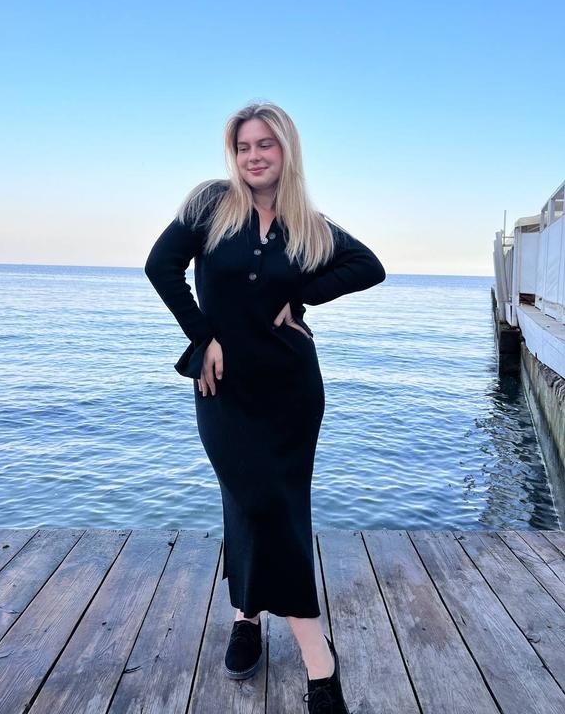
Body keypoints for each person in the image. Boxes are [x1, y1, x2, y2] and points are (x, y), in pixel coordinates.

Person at [144, 101, 386, 713]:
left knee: (276, 506)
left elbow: (369, 267)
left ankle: (247, 619)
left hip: (291, 389)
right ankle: (318, 658)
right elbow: (161, 266)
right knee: (253, 499)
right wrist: (202, 336)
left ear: (286, 150)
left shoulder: (307, 223)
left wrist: (301, 294)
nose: (254, 156)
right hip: (223, 387)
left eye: (266, 145)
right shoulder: (210, 204)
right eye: (245, 146)